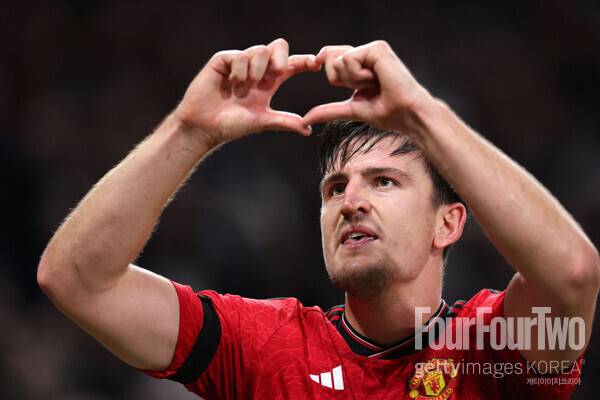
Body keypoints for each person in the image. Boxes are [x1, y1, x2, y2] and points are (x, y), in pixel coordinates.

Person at [37, 38, 599, 399]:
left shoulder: (492, 348)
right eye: (335, 188)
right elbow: (78, 280)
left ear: (448, 224)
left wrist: (422, 115)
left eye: (384, 181)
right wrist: (189, 131)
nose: (351, 201)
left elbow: (572, 273)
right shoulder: (266, 347)